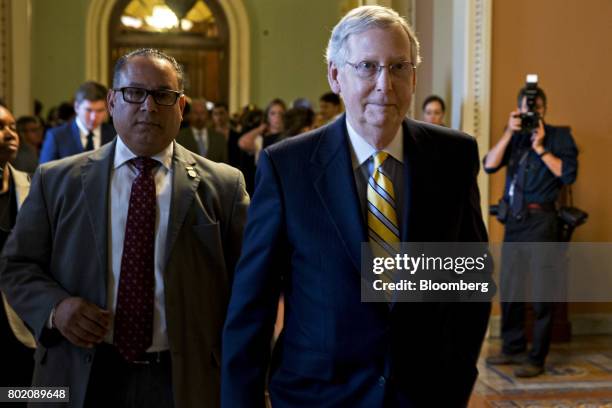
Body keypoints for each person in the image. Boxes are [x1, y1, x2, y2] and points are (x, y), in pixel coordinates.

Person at [221, 6, 491, 407]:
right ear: (335, 75)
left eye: (399, 67)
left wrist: (454, 382)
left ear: (414, 76)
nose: (385, 84)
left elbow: (467, 283)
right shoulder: (287, 167)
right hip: (316, 394)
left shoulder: (452, 157)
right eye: (367, 66)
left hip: (424, 394)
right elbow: (253, 306)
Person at [0, 48, 249, 408]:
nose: (148, 107)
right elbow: (16, 264)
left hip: (183, 380)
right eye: (135, 93)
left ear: (181, 107)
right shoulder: (57, 180)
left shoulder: (223, 186)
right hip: (80, 374)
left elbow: (252, 279)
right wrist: (56, 307)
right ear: (112, 101)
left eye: (163, 95)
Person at [483, 85, 578, 378]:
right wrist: (510, 133)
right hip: (515, 222)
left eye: (535, 109)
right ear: (519, 110)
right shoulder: (514, 136)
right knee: (511, 290)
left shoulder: (559, 136)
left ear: (543, 110)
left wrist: (541, 148)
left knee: (540, 294)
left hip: (542, 222)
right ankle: (512, 348)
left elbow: (568, 173)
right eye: (525, 110)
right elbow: (488, 165)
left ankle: (536, 357)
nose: (530, 114)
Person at [0, 103, 36, 391]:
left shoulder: (31, 187)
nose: (10, 134)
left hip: (23, 323)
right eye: (1, 127)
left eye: (12, 127)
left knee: (24, 395)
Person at [39, 81, 115, 164]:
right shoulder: (56, 136)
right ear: (77, 107)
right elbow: (45, 174)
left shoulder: (115, 135)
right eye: (88, 110)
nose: (93, 117)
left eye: (100, 111)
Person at [175, 98, 228, 163]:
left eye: (202, 113)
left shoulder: (219, 138)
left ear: (207, 115)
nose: (199, 116)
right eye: (195, 112)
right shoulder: (180, 137)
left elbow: (224, 164)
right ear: (190, 115)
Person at [237, 98, 286, 163]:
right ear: (267, 117)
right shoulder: (261, 139)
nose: (277, 116)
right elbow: (242, 143)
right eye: (273, 113)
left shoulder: (288, 137)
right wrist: (261, 128)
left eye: (280, 113)